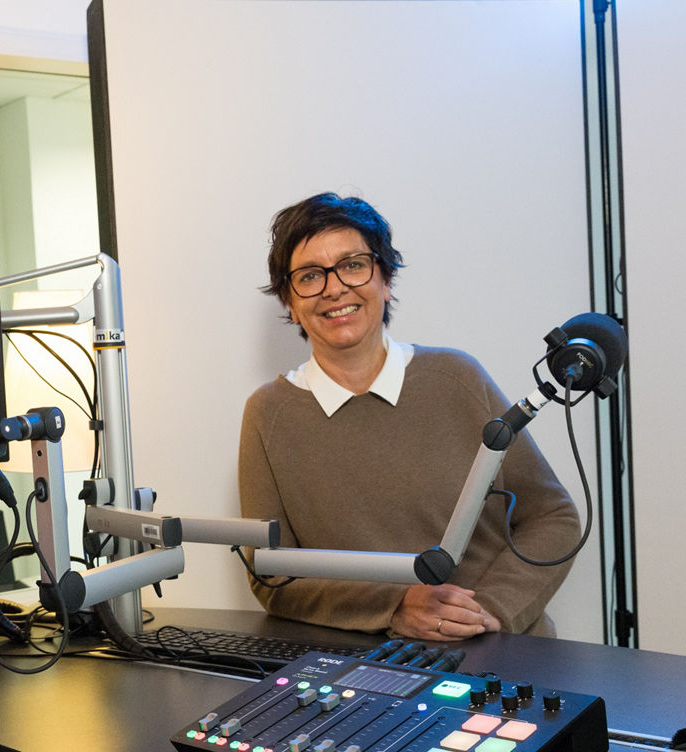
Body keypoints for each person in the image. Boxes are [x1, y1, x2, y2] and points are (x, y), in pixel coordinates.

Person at [239, 192, 580, 640]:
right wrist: (394, 607)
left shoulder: (457, 378)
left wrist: (491, 613)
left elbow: (553, 515)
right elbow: (270, 575)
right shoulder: (268, 414)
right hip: (376, 674)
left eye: (353, 265)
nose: (335, 288)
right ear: (290, 300)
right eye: (309, 276)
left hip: (502, 653)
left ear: (386, 278)